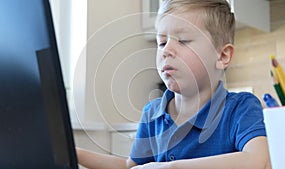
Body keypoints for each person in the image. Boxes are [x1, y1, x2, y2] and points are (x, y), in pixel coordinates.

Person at [77, 0, 272, 168]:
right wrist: (73, 152)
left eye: (183, 41)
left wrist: (170, 167)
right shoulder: (153, 113)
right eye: (161, 42)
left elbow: (255, 161)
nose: (166, 50)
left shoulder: (241, 107)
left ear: (222, 56)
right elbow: (131, 166)